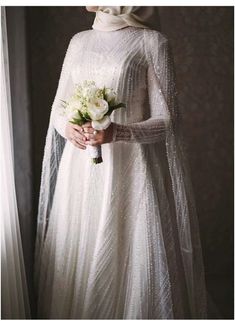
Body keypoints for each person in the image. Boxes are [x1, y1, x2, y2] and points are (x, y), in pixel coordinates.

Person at [34, 6, 209, 319]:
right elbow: (57, 111)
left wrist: (119, 132)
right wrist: (68, 127)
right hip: (80, 174)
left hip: (132, 175)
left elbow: (168, 121)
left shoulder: (152, 41)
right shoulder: (79, 41)